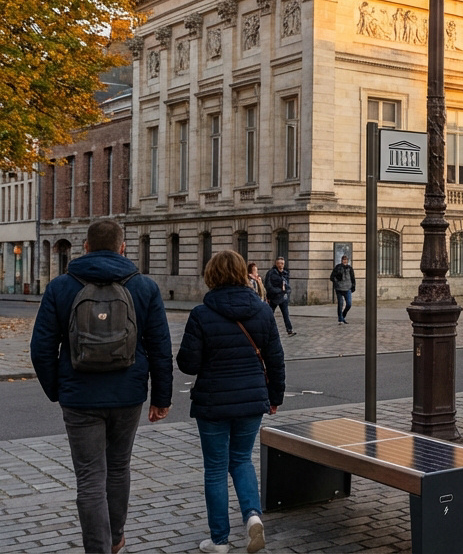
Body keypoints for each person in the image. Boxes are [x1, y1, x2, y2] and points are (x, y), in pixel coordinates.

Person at [29, 219, 173, 554]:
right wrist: (161, 397)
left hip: (79, 397)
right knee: (119, 467)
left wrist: (58, 389)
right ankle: (116, 538)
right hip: (128, 394)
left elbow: (41, 348)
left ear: (86, 248)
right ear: (124, 247)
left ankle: (97, 547)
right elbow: (160, 347)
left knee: (90, 477)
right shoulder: (145, 287)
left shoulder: (61, 287)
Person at [178, 250, 286, 554]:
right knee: (241, 459)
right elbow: (276, 360)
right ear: (243, 274)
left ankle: (219, 540)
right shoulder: (263, 311)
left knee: (215, 468)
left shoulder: (201, 313)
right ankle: (252, 516)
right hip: (252, 399)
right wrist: (275, 397)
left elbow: (188, 363)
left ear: (211, 275)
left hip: (213, 402)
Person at [263, 257, 295, 336]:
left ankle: (289, 330)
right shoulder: (271, 273)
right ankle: (266, 329)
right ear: (276, 264)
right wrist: (278, 291)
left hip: (283, 297)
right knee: (270, 314)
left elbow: (287, 285)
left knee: (286, 314)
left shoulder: (285, 273)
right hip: (273, 297)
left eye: (282, 263)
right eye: (279, 263)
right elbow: (268, 285)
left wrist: (287, 292)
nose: (281, 265)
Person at [330, 255, 356, 325]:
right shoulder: (338, 267)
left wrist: (353, 286)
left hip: (348, 288)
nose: (345, 261)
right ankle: (340, 319)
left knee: (349, 304)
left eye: (346, 260)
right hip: (339, 288)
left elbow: (353, 278)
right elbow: (332, 277)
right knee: (340, 304)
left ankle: (343, 316)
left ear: (347, 261)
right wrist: (336, 280)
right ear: (341, 260)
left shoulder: (350, 268)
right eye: (344, 260)